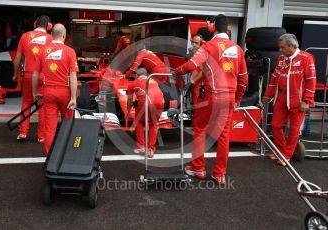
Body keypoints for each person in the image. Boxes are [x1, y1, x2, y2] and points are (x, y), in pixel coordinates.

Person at [174, 14, 248, 185]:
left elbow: (191, 65)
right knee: (223, 135)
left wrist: (177, 71)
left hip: (210, 96)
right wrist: (237, 99)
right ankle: (220, 174)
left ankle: (198, 169)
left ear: (213, 27)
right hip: (229, 97)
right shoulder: (237, 49)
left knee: (200, 130)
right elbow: (243, 78)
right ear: (228, 29)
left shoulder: (208, 46)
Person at [262, 33, 316, 165]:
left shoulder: (306, 58)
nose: (280, 50)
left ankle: (287, 155)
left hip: (297, 101)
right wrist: (267, 95)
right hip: (281, 98)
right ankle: (280, 151)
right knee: (275, 125)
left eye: (282, 47)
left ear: (292, 46)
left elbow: (311, 81)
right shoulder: (281, 58)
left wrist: (307, 100)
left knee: (294, 129)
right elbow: (274, 79)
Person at [32, 23, 78, 156]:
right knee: (67, 124)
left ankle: (49, 156)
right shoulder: (70, 52)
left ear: (51, 35)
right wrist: (74, 98)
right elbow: (73, 77)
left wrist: (35, 92)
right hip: (65, 92)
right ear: (64, 36)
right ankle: (67, 155)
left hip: (48, 92)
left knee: (50, 127)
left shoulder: (42, 50)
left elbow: (35, 75)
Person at [12, 15, 53, 142]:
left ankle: (23, 133)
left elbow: (17, 58)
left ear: (35, 24)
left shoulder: (25, 36)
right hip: (43, 76)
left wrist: (15, 74)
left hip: (28, 75)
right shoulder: (51, 38)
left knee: (26, 103)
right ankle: (41, 136)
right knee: (42, 106)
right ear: (49, 26)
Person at [126, 68, 164, 158]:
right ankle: (150, 149)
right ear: (146, 74)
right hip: (160, 102)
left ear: (136, 75)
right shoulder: (153, 81)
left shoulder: (133, 84)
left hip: (146, 102)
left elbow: (130, 100)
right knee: (153, 124)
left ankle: (141, 146)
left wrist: (128, 112)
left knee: (138, 121)